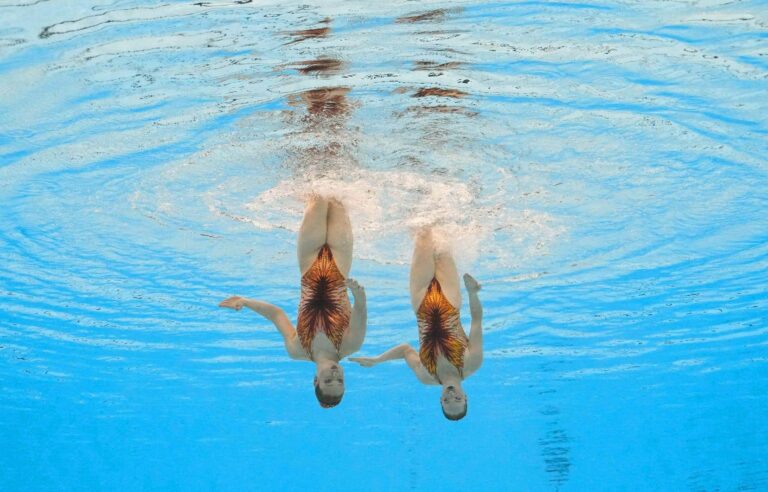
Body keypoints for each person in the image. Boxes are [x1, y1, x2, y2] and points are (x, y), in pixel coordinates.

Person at [219, 196, 366, 408]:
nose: (335, 375)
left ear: (315, 380)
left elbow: (277, 315)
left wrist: (245, 301)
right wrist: (358, 295)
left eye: (328, 381)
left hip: (308, 265)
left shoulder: (297, 350)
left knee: (318, 198)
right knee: (337, 198)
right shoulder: (351, 345)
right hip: (339, 266)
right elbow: (361, 310)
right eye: (341, 380)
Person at [350, 228, 483, 420]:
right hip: (450, 299)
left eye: (447, 401)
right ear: (466, 397)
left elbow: (405, 350)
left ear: (440, 401)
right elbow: (477, 320)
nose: (451, 396)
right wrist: (472, 293)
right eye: (458, 400)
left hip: (421, 302)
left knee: (423, 233)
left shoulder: (425, 376)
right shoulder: (472, 363)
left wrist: (378, 360)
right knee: (443, 237)